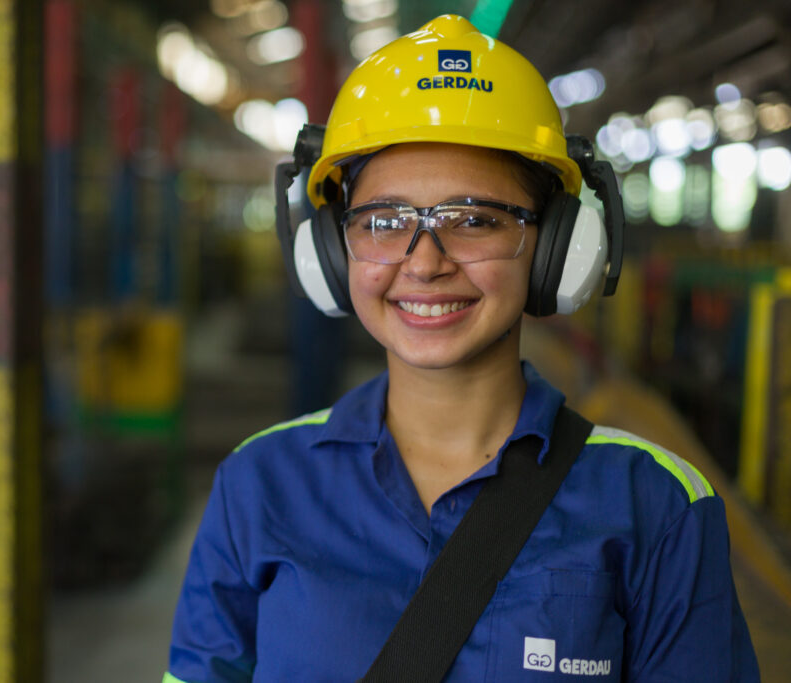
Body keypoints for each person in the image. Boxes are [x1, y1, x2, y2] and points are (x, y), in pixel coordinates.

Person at [164, 14, 759, 682]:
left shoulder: (658, 505)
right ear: (330, 251)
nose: (423, 262)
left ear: (558, 249)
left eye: (474, 219)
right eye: (384, 221)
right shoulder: (259, 483)